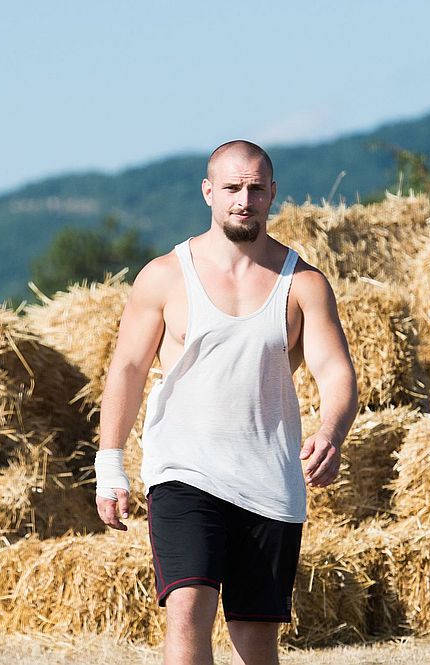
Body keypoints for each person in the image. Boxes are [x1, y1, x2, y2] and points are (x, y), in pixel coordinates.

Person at [94, 140, 358, 665]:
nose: (244, 199)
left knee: (255, 640)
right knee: (188, 609)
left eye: (256, 188)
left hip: (270, 481)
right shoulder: (166, 276)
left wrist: (331, 432)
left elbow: (335, 370)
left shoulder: (303, 283)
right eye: (233, 188)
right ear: (208, 193)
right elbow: (127, 367)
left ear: (272, 194)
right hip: (184, 473)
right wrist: (110, 465)